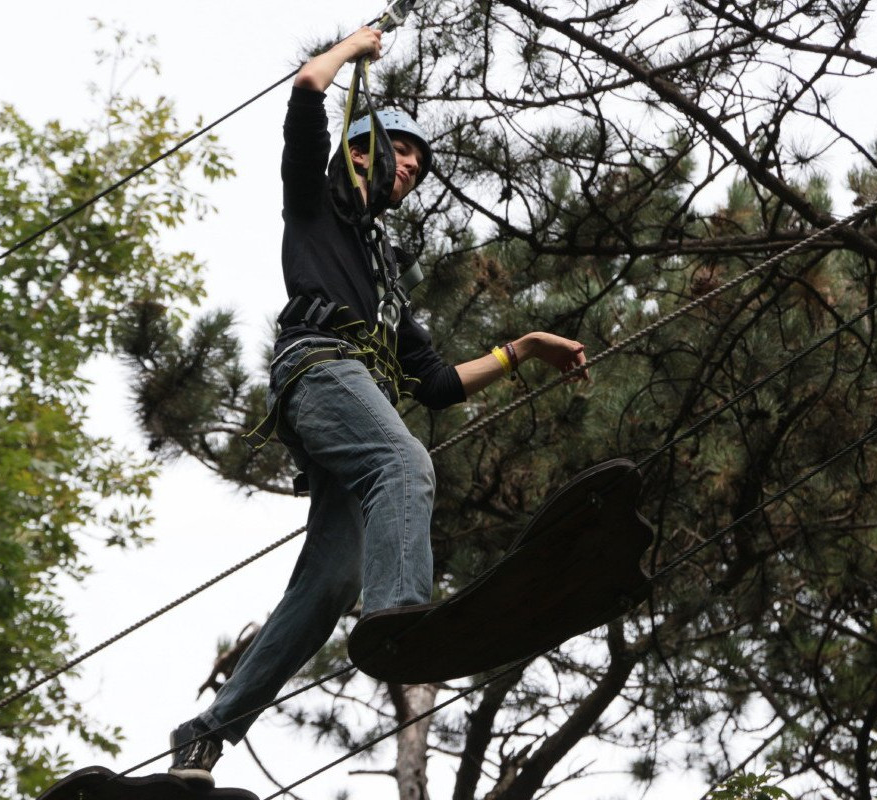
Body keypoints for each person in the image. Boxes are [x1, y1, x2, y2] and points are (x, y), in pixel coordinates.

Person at [167, 27, 588, 787]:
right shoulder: (315, 205)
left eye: (419, 168)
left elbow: (434, 384)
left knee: (328, 586)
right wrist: (351, 48)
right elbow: (305, 94)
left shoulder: (383, 276)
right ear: (359, 153)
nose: (411, 171)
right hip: (318, 370)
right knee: (404, 463)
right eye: (402, 154)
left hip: (344, 396)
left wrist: (520, 350)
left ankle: (205, 731)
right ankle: (402, 615)